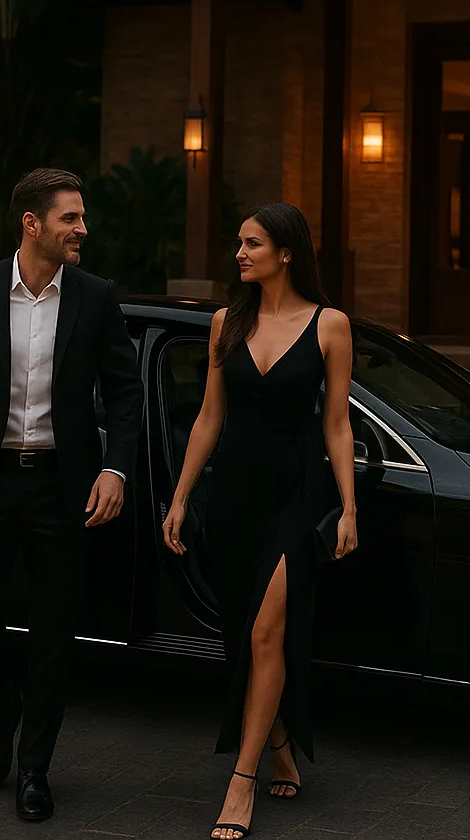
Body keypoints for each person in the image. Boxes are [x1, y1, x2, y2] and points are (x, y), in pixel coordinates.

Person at [0, 168, 143, 823]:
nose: (82, 229)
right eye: (71, 218)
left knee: (53, 636)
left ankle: (35, 771)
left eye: (81, 217)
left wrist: (117, 470)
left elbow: (126, 393)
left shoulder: (96, 298)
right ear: (32, 223)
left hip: (62, 489)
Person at [162, 202, 358, 840]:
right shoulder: (226, 322)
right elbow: (209, 418)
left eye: (251, 244)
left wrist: (349, 507)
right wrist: (182, 497)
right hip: (235, 497)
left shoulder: (330, 325)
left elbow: (337, 423)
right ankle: (277, 742)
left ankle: (239, 783)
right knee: (244, 636)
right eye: (238, 243)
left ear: (287, 253)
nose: (239, 254)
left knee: (268, 633)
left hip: (295, 496)